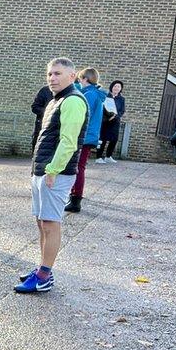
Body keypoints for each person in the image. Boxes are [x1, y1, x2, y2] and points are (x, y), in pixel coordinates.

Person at [15, 58, 88, 294]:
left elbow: (68, 142)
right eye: (49, 74)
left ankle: (44, 276)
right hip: (42, 171)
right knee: (41, 222)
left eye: (57, 74)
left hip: (55, 173)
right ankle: (43, 269)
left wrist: (53, 170)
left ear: (72, 76)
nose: (52, 78)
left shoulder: (74, 101)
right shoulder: (56, 100)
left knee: (50, 223)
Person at [65, 67, 105, 213]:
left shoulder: (89, 95)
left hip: (85, 136)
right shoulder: (94, 94)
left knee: (78, 167)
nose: (79, 82)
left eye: (81, 79)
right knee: (79, 166)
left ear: (85, 79)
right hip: (90, 136)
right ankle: (74, 196)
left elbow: (81, 116)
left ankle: (75, 199)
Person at [97, 80, 125, 163]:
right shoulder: (106, 96)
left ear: (121, 89)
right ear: (112, 87)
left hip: (115, 121)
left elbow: (122, 110)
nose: (116, 88)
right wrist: (108, 116)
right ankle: (99, 157)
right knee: (103, 139)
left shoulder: (121, 99)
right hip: (106, 121)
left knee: (114, 139)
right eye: (115, 86)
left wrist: (116, 116)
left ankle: (108, 156)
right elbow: (102, 108)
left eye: (119, 87)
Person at [30, 85, 53, 151]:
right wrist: (48, 111)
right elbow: (35, 107)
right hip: (42, 126)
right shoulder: (45, 90)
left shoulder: (65, 93)